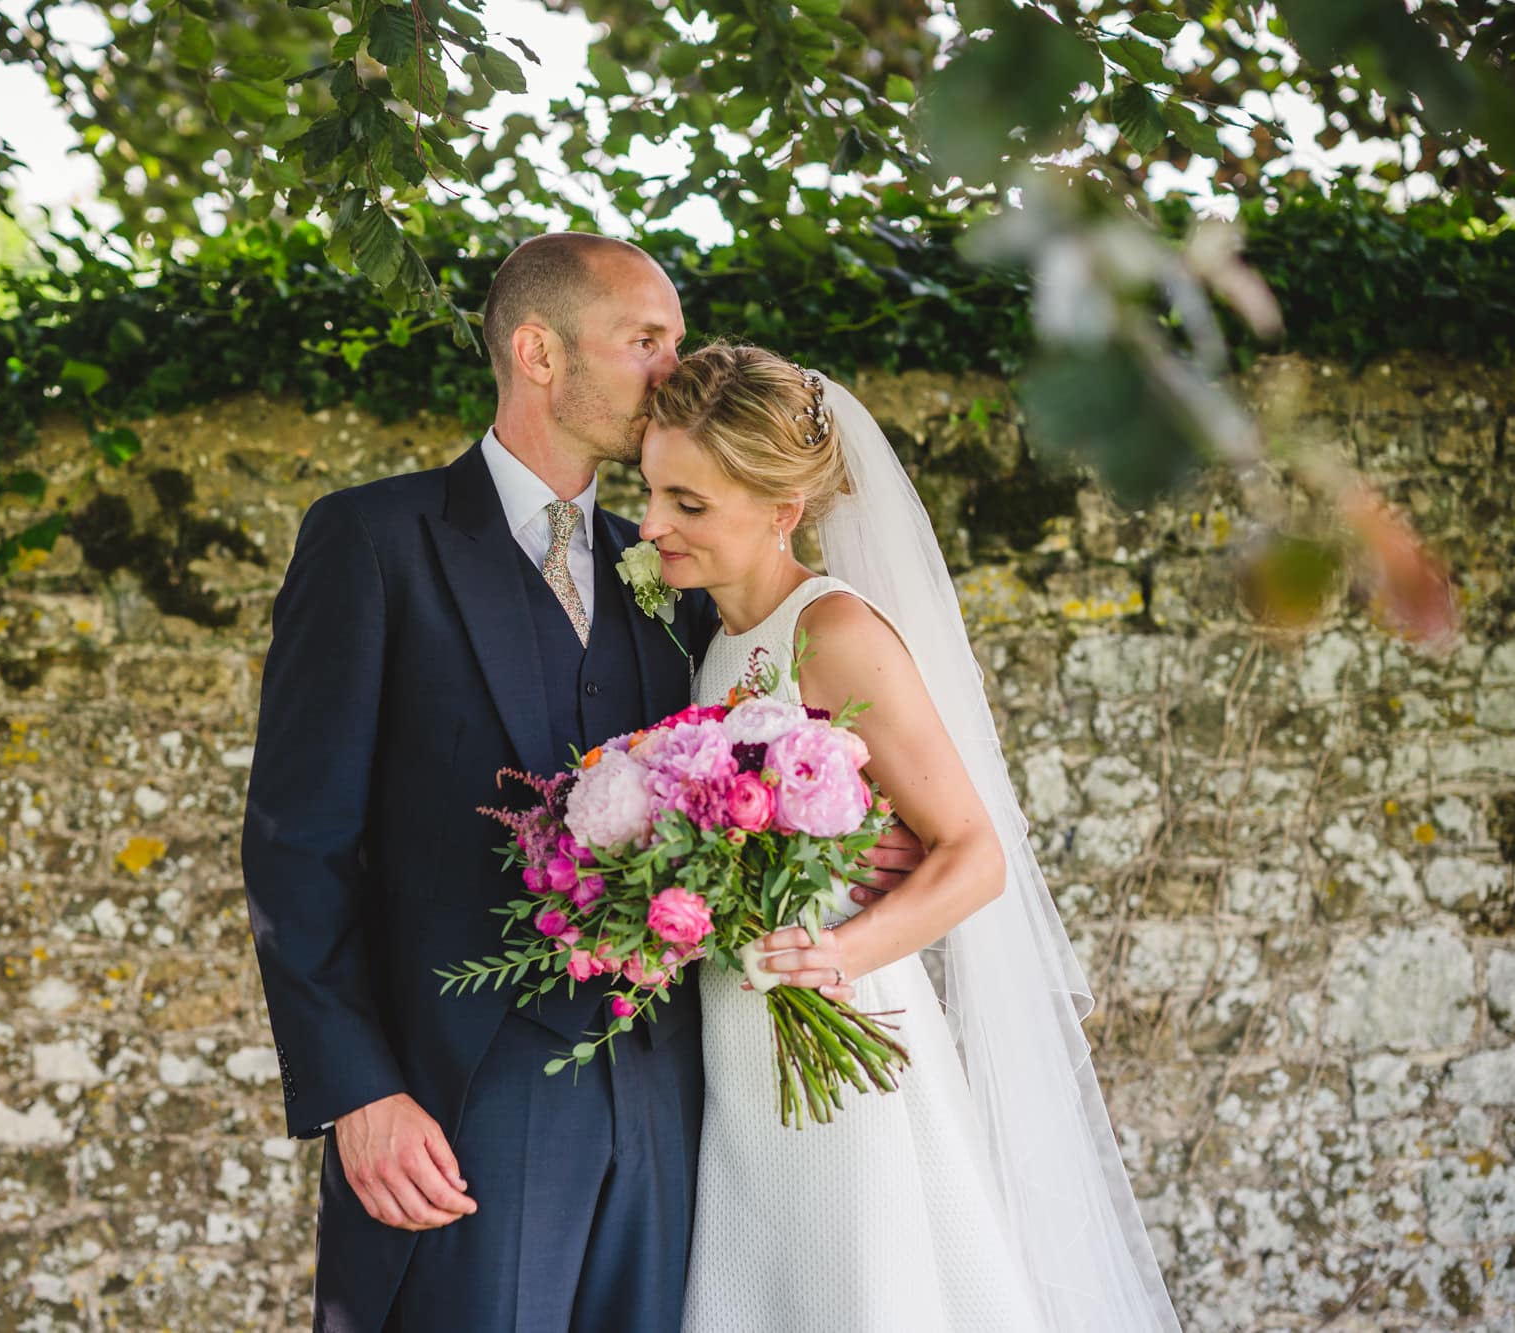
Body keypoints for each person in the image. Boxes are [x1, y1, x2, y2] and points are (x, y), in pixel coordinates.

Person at [240, 237, 919, 1332]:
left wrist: (843, 846)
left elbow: (761, 756)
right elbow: (294, 842)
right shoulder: (372, 541)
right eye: (644, 341)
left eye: (676, 343)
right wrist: (358, 1090)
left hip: (676, 1098)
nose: (671, 371)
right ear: (537, 351)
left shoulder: (670, 566)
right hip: (462, 1096)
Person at [640, 343, 1184, 1332]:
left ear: (779, 511)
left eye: (688, 504)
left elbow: (974, 851)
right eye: (652, 492)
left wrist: (836, 950)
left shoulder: (833, 630)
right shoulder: (712, 637)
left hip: (828, 1037)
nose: (650, 525)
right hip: (732, 1036)